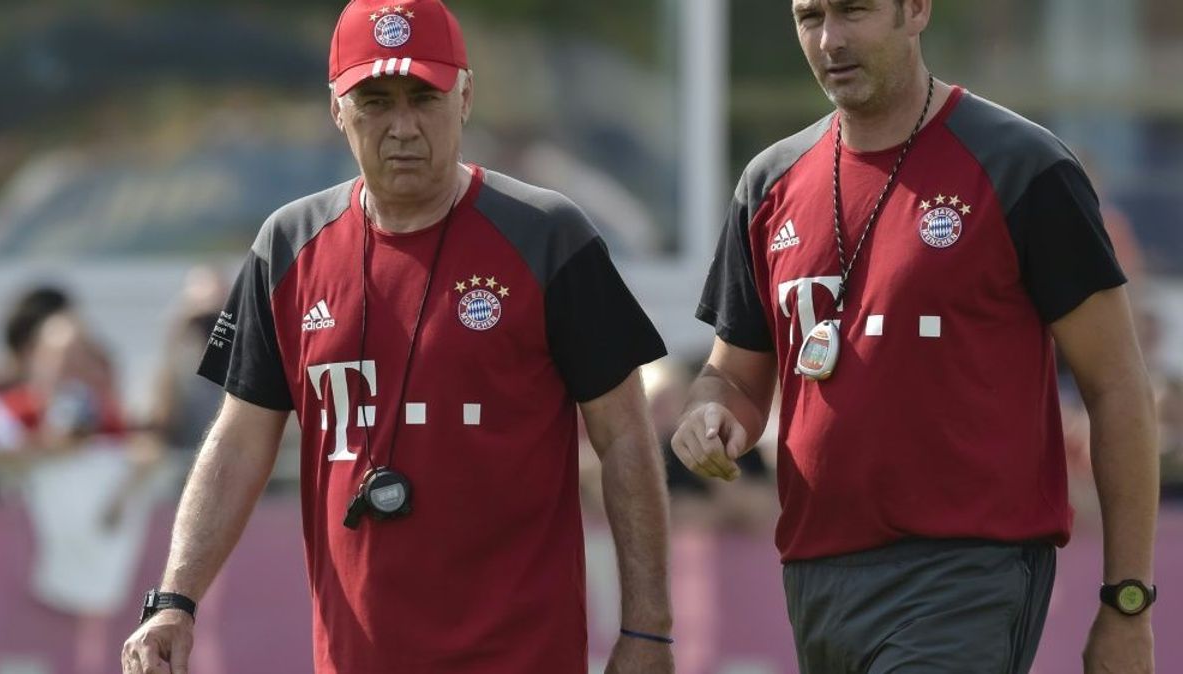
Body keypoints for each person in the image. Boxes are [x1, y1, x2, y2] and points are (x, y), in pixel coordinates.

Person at [120, 1, 674, 673]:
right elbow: (239, 439)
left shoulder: (550, 236)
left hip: (524, 656)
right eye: (376, 101)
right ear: (337, 109)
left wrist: (648, 633)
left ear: (465, 98)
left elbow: (625, 438)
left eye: (424, 97)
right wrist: (174, 597)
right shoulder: (287, 245)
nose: (403, 126)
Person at [671, 1, 1158, 673]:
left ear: (917, 10)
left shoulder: (1024, 167)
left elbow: (1118, 387)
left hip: (965, 575)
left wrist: (1127, 602)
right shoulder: (770, 182)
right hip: (816, 576)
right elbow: (733, 377)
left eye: (854, 11)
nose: (830, 39)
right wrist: (708, 412)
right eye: (810, 16)